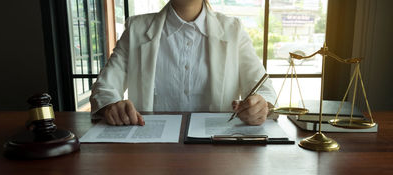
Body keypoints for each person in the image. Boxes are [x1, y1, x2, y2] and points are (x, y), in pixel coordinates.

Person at [90, 0, 276, 126]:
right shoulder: (136, 30)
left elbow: (265, 89)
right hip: (150, 151)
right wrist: (112, 106)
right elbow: (104, 88)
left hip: (218, 152)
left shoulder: (233, 30)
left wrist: (260, 106)